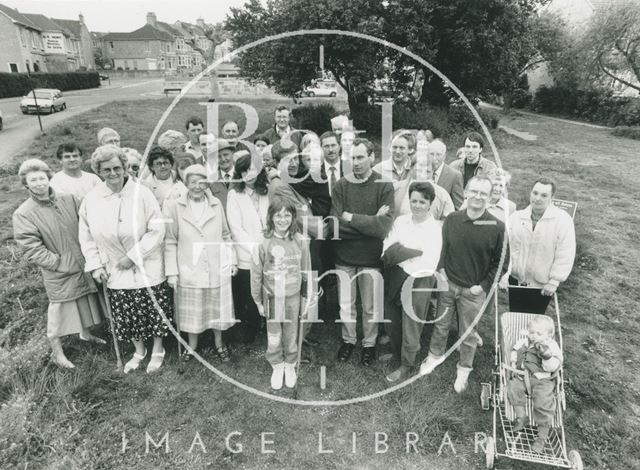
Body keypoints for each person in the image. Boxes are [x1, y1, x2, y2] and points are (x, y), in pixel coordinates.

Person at [79, 145, 172, 374]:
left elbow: (157, 229)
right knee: (127, 311)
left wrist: (133, 256)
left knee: (152, 307)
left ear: (125, 168)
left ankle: (158, 348)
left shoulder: (143, 193)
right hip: (113, 267)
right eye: (107, 169)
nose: (113, 173)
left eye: (117, 168)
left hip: (146, 262)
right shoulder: (91, 199)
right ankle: (139, 350)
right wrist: (95, 266)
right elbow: (87, 236)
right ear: (99, 171)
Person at [13, 159, 104, 369]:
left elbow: (87, 223)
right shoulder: (24, 213)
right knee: (59, 310)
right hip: (59, 270)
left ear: (49, 178)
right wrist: (58, 263)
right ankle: (58, 353)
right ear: (25, 184)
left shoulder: (69, 199)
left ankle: (86, 333)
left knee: (85, 299)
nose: (38, 183)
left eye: (41, 178)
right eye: (32, 180)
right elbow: (31, 248)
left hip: (81, 263)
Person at [421, 176, 507, 393]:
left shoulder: (497, 227)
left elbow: (500, 263)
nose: (478, 197)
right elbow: (443, 248)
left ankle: (464, 368)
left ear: (490, 197)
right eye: (474, 191)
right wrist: (441, 269)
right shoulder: (452, 219)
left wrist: (483, 285)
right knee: (441, 325)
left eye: (483, 193)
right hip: (448, 283)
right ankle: (434, 356)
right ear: (466, 192)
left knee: (468, 332)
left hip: (473, 291)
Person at [330, 138, 395, 366]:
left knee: (369, 306)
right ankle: (348, 340)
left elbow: (383, 228)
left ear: (371, 157)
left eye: (360, 157)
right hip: (344, 257)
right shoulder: (341, 185)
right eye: (351, 157)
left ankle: (369, 344)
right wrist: (371, 222)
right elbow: (335, 226)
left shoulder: (384, 186)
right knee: (346, 304)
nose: (355, 162)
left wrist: (351, 218)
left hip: (371, 258)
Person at [164, 164, 237, 361]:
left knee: (216, 309)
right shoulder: (175, 207)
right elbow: (170, 241)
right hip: (189, 268)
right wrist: (172, 272)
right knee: (192, 312)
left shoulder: (215, 204)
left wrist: (232, 262)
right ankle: (192, 346)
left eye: (202, 182)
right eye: (193, 182)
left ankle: (219, 344)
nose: (198, 186)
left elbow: (226, 235)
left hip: (216, 266)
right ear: (186, 183)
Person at [251, 199, 314, 390]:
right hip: (271, 296)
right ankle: (277, 364)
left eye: (287, 215)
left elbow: (306, 272)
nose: (282, 219)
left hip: (293, 296)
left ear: (293, 217)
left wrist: (306, 298)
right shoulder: (263, 242)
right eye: (278, 215)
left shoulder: (300, 241)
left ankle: (290, 364)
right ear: (270, 216)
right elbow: (256, 274)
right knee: (274, 332)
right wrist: (257, 301)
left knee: (291, 332)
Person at [382, 182, 442, 382]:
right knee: (392, 317)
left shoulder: (434, 229)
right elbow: (387, 248)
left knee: (411, 322)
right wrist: (412, 253)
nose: (417, 205)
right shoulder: (400, 221)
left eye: (422, 202)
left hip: (420, 280)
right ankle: (397, 353)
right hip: (396, 275)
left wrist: (402, 255)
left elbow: (429, 262)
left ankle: (407, 364)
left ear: (430, 203)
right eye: (413, 201)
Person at [500, 178, 576, 312]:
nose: (538, 198)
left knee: (534, 323)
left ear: (552, 197)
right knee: (516, 317)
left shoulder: (563, 220)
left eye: (544, 195)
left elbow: (565, 253)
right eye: (535, 193)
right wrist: (505, 274)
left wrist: (554, 281)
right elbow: (506, 249)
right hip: (517, 280)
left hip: (542, 284)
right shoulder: (516, 217)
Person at [227, 153, 270, 344]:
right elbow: (235, 228)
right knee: (250, 292)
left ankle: (270, 325)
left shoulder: (268, 190)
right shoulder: (234, 194)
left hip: (269, 249)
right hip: (246, 253)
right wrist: (254, 248)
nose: (248, 174)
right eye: (244, 170)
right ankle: (252, 326)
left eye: (252, 169)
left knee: (269, 288)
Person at [507, 316, 562, 453]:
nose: (534, 336)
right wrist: (514, 359)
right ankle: (522, 417)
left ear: (549, 335)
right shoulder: (524, 341)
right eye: (531, 332)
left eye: (538, 334)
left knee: (543, 402)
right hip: (523, 376)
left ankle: (541, 437)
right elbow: (515, 350)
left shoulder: (551, 346)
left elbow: (553, 367)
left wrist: (547, 357)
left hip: (542, 379)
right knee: (513, 388)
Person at [393, 152, 454, 221]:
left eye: (427, 172)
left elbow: (449, 222)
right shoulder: (396, 189)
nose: (423, 175)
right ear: (411, 169)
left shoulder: (442, 195)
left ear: (433, 172)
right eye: (419, 170)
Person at [427, 139, 464, 209]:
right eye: (431, 154)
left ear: (444, 156)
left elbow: (458, 207)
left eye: (438, 155)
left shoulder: (454, 176)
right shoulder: (422, 172)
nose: (434, 158)